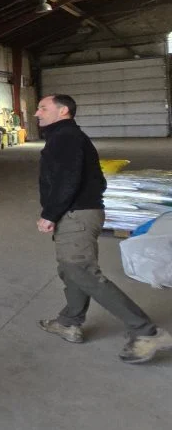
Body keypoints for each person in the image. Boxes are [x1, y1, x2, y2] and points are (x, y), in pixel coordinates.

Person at [34, 94, 172, 363]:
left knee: (81, 270)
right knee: (69, 269)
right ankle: (69, 321)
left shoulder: (66, 137)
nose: (37, 113)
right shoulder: (64, 136)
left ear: (63, 111)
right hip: (75, 212)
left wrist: (50, 214)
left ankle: (146, 332)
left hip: (77, 214)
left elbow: (67, 179)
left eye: (43, 108)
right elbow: (94, 179)